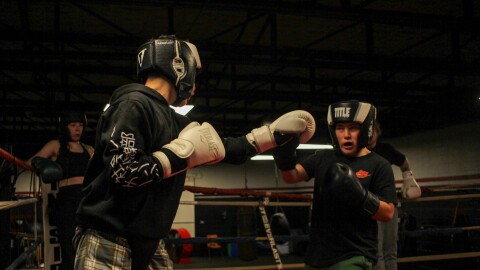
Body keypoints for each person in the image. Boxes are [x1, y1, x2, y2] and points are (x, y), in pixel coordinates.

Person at [73, 35, 316, 270]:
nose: (195, 84)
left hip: (150, 240)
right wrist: (177, 156)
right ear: (179, 65)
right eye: (194, 74)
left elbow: (223, 149)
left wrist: (269, 136)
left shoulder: (174, 121)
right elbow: (123, 171)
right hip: (109, 236)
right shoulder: (132, 104)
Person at [272, 100, 397, 270]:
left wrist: (360, 196)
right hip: (317, 255)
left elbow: (388, 213)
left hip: (354, 255)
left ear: (365, 128)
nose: (346, 134)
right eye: (340, 128)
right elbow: (291, 176)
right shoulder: (323, 157)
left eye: (353, 128)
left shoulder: (379, 164)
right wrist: (284, 153)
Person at [27, 111, 94, 270]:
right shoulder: (55, 145)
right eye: (73, 125)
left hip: (87, 199)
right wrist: (41, 166)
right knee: (69, 248)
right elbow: (30, 162)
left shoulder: (89, 149)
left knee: (87, 247)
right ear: (65, 127)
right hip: (67, 200)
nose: (77, 129)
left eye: (80, 125)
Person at [368, 120, 421, 270]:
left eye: (374, 131)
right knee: (376, 251)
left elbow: (404, 161)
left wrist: (408, 179)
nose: (371, 135)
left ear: (378, 133)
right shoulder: (361, 151)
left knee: (390, 251)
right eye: (368, 131)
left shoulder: (386, 149)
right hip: (372, 204)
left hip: (390, 202)